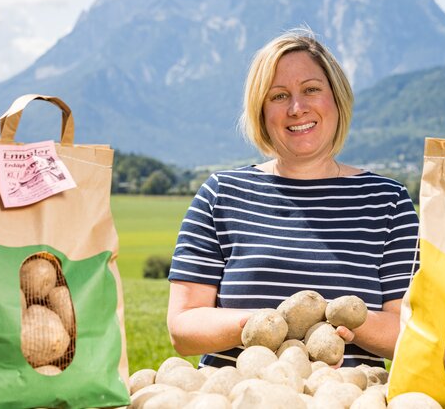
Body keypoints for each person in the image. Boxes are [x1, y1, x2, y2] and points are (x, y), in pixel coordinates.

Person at [166, 29, 420, 369]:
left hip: (349, 399)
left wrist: (335, 321)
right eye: (278, 96)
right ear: (261, 112)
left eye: (311, 89)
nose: (297, 108)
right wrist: (267, 323)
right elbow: (183, 327)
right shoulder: (220, 194)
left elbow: (410, 333)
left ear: (336, 98)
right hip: (233, 398)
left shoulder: (388, 202)